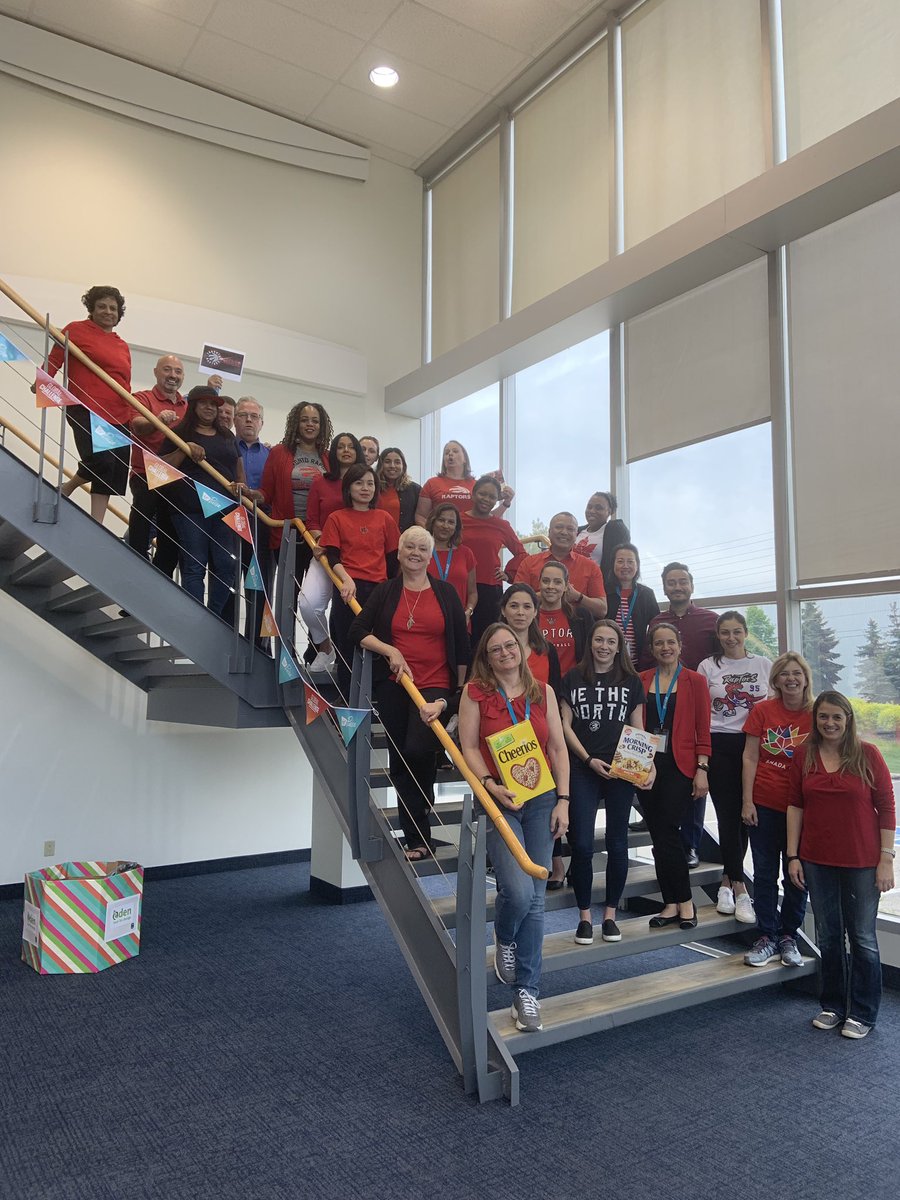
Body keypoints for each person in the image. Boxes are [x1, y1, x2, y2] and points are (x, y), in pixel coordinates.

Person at [459, 623, 569, 1033]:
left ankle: (527, 994)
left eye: (511, 645)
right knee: (519, 892)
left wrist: (564, 800)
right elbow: (469, 747)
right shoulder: (475, 693)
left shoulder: (544, 692)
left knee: (537, 899)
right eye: (496, 649)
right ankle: (503, 936)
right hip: (500, 800)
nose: (505, 652)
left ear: (522, 649)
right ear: (486, 658)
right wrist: (489, 786)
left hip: (542, 799)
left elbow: (557, 747)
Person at [350, 525, 470, 860]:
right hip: (395, 686)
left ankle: (423, 802)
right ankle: (418, 839)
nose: (415, 553)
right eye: (409, 547)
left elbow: (462, 645)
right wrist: (390, 650)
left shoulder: (446, 593)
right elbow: (357, 630)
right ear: (399, 553)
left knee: (418, 749)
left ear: (430, 556)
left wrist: (458, 692)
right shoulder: (386, 591)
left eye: (422, 548)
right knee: (400, 759)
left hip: (435, 686)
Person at [787, 691, 896, 1039]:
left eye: (837, 716)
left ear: (848, 719)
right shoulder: (803, 755)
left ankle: (863, 1013)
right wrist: (793, 856)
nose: (830, 723)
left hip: (863, 863)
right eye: (823, 717)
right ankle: (832, 1005)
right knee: (829, 936)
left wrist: (886, 859)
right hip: (817, 860)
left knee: (862, 938)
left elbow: (887, 809)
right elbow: (795, 806)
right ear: (815, 719)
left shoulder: (868, 754)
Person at [561, 619, 651, 945]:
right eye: (599, 640)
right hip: (583, 768)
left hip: (621, 770)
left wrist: (646, 766)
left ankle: (610, 915)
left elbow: (637, 725)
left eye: (610, 642)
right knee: (583, 844)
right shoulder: (573, 677)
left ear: (618, 646)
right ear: (591, 643)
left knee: (617, 844)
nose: (604, 646)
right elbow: (564, 725)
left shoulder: (630, 681)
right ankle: (584, 917)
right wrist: (587, 759)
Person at [697, 611, 772, 925]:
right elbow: (701, 712)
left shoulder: (764, 665)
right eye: (725, 633)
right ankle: (741, 888)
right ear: (718, 634)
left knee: (747, 816)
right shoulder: (707, 666)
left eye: (737, 632)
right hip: (720, 746)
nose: (731, 638)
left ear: (745, 632)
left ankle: (727, 881)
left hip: (754, 744)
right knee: (729, 815)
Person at [741, 652, 814, 967]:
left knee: (797, 877)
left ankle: (789, 937)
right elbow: (750, 757)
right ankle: (767, 936)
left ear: (806, 678)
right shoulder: (762, 710)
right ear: (776, 680)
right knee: (766, 874)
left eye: (796, 673)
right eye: (784, 674)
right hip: (765, 806)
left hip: (804, 810)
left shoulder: (817, 714)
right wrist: (747, 801)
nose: (791, 679)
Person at [644, 561, 719, 867]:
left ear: (691, 584)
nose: (677, 586)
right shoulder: (656, 620)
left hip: (691, 700)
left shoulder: (709, 620)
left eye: (682, 581)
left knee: (691, 790)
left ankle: (690, 844)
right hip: (660, 709)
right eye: (671, 582)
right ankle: (667, 844)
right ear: (664, 588)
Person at [639, 623, 710, 929]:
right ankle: (670, 904)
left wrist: (702, 770)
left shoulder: (695, 681)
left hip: (681, 767)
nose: (665, 648)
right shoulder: (640, 680)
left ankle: (684, 902)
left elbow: (703, 729)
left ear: (680, 645)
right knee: (658, 835)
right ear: (652, 648)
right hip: (646, 766)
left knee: (667, 830)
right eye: (658, 643)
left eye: (670, 642)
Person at [45, 285, 132, 526]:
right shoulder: (76, 330)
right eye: (102, 306)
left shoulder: (122, 345)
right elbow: (55, 358)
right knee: (101, 461)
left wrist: (132, 414)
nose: (108, 312)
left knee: (112, 472)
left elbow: (126, 382)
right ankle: (69, 487)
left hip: (119, 414)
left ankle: (97, 524)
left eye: (113, 308)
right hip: (86, 406)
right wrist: (44, 378)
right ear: (91, 309)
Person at [501, 581, 566, 890]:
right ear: (503, 610)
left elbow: (552, 695)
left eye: (527, 606)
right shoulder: (493, 648)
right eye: (514, 605)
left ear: (536, 612)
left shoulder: (545, 651)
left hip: (539, 746)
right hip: (504, 750)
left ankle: (551, 862)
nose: (521, 612)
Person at [318, 463, 399, 699]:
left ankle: (376, 699)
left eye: (370, 483)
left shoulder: (384, 518)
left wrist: (391, 590)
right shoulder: (336, 518)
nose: (365, 488)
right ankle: (347, 699)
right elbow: (332, 555)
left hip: (379, 591)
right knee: (346, 644)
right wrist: (346, 579)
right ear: (348, 487)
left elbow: (393, 559)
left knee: (380, 644)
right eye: (359, 483)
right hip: (348, 590)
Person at [160, 386, 244, 615]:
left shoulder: (228, 436)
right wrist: (183, 450)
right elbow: (160, 468)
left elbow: (238, 470)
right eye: (204, 403)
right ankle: (196, 616)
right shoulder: (179, 432)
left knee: (226, 565)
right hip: (189, 509)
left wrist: (241, 487)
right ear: (194, 405)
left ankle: (212, 616)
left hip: (224, 508)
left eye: (213, 404)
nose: (209, 408)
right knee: (195, 565)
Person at [260, 402, 333, 659]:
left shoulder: (327, 457)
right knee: (288, 597)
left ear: (322, 425)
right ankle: (285, 652)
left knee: (317, 599)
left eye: (315, 420)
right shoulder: (280, 452)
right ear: (296, 423)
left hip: (319, 538)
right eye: (305, 419)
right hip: (288, 534)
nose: (310, 424)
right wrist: (249, 494)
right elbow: (266, 492)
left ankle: (317, 654)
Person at [296, 431, 363, 672]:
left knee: (348, 610)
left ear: (357, 452)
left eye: (351, 446)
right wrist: (319, 540)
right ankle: (325, 647)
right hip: (326, 552)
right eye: (340, 446)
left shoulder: (366, 480)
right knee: (308, 603)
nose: (346, 450)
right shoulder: (321, 482)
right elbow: (312, 519)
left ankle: (351, 664)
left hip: (359, 555)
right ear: (333, 453)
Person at [127, 354, 187, 576]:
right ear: (155, 372)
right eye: (167, 370)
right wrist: (158, 420)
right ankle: (134, 588)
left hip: (176, 480)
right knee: (139, 535)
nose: (173, 375)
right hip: (145, 474)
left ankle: (157, 589)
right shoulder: (142, 399)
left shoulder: (187, 406)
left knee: (171, 541)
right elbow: (138, 427)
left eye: (178, 372)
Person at [460, 475, 527, 647]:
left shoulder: (501, 525)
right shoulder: (458, 520)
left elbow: (521, 553)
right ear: (473, 495)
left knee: (487, 641)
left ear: (497, 499)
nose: (486, 499)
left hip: (489, 589)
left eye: (491, 496)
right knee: (461, 639)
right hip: (460, 586)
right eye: (482, 494)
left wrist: (508, 574)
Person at [515, 512, 607, 619]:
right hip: (535, 627)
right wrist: (547, 594)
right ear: (549, 532)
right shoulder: (529, 563)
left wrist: (578, 597)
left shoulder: (591, 567)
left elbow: (602, 610)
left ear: (576, 534)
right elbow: (515, 600)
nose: (564, 532)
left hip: (577, 628)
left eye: (570, 529)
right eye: (559, 527)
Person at [232, 397, 271, 641]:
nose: (248, 420)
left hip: (260, 526)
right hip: (227, 523)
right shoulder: (224, 446)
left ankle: (257, 644)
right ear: (234, 419)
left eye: (254, 416)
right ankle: (223, 635)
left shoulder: (271, 455)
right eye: (243, 415)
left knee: (259, 586)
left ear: (261, 423)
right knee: (226, 580)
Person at [415, 440, 514, 525]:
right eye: (446, 452)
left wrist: (506, 503)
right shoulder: (432, 483)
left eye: (455, 451)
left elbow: (488, 518)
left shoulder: (477, 485)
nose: (450, 454)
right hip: (441, 540)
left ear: (465, 459)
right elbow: (420, 516)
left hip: (472, 536)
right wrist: (430, 538)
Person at [536, 560, 593, 676]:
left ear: (566, 586)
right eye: (546, 581)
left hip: (572, 686)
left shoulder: (581, 616)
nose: (550, 586)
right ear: (539, 584)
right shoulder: (528, 617)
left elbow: (591, 654)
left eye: (557, 582)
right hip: (539, 686)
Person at [608, 543, 659, 665]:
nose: (625, 566)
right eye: (620, 561)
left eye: (630, 561)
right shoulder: (604, 592)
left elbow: (656, 626)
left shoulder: (646, 594)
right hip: (607, 662)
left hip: (639, 664)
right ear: (613, 564)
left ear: (637, 565)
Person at [425, 503, 476, 622]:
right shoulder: (420, 551)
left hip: (458, 620)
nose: (445, 526)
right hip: (426, 619)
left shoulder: (466, 553)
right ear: (433, 522)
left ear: (456, 527)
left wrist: (468, 611)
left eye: (451, 522)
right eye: (441, 520)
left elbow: (473, 592)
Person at [574, 492, 630, 581]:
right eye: (589, 507)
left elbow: (622, 559)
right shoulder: (577, 531)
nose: (592, 511)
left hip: (597, 587)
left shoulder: (614, 530)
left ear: (610, 512)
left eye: (598, 508)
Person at [376, 446, 421, 532]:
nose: (392, 466)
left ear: (403, 466)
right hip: (378, 538)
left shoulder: (415, 490)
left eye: (397, 462)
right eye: (387, 462)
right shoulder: (373, 488)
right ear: (381, 465)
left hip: (405, 541)